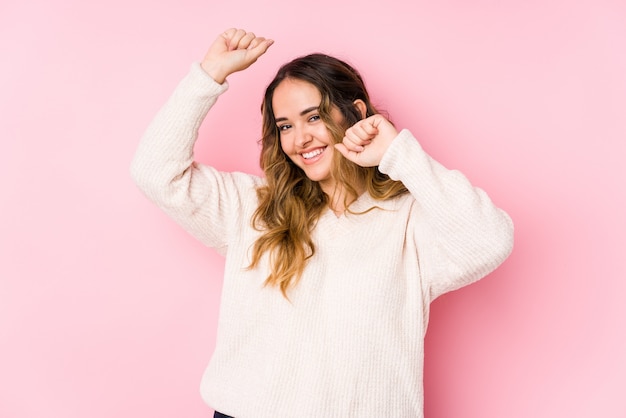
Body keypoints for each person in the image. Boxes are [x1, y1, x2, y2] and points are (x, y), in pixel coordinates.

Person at [131, 28, 514, 418]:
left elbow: (490, 240)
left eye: (312, 117)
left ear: (357, 113)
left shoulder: (410, 220)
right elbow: (154, 172)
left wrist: (398, 153)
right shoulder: (252, 208)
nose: (300, 139)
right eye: (285, 126)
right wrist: (207, 76)